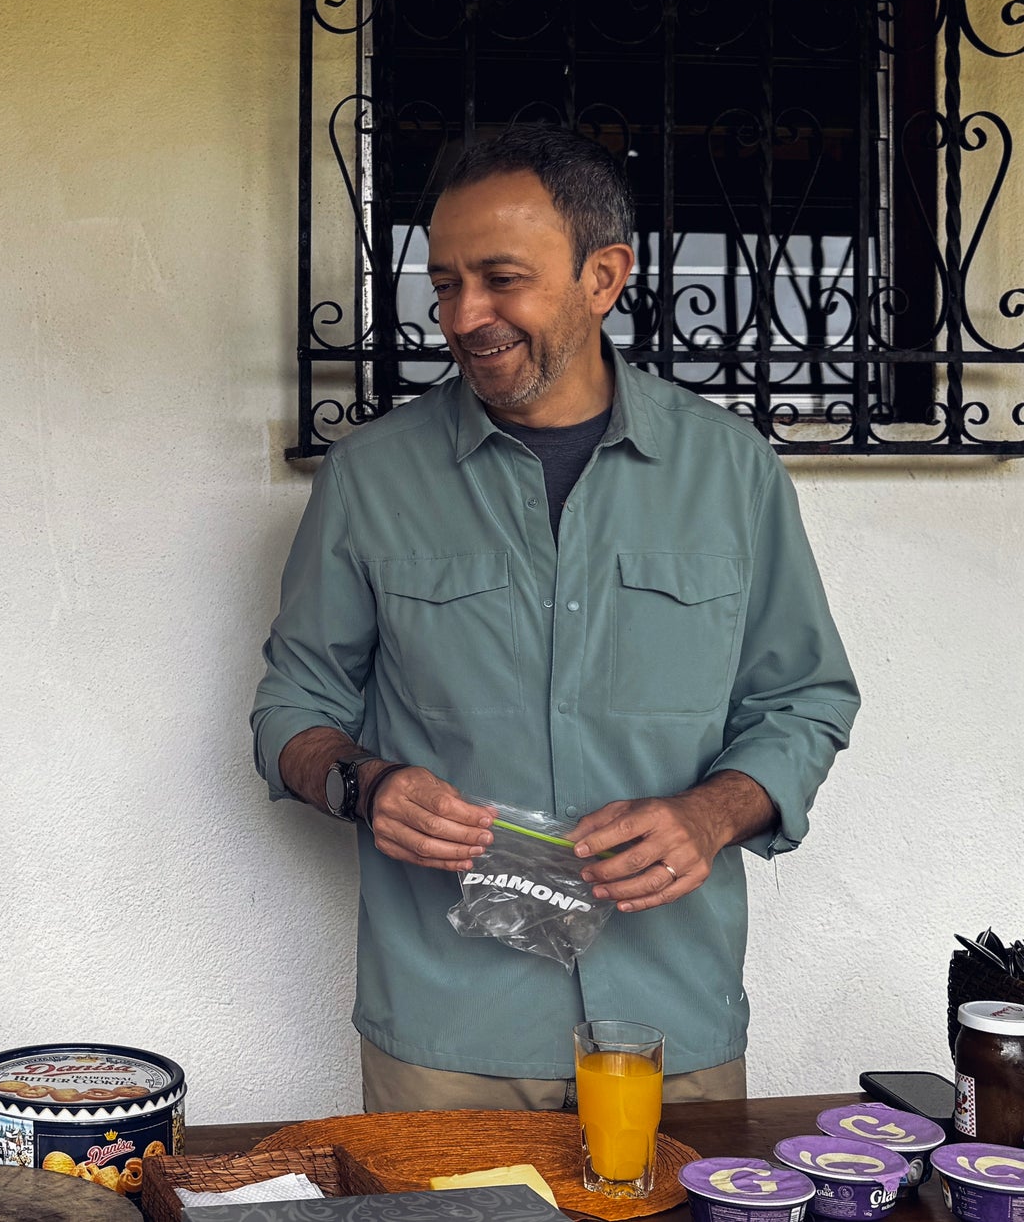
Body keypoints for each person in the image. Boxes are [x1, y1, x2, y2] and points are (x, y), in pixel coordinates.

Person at [252, 127, 859, 1112]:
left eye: (499, 278)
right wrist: (362, 783)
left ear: (602, 276)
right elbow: (291, 706)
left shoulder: (728, 470)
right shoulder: (371, 477)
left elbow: (801, 700)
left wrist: (708, 815)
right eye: (444, 283)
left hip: (670, 1028)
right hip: (445, 1039)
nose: (462, 315)